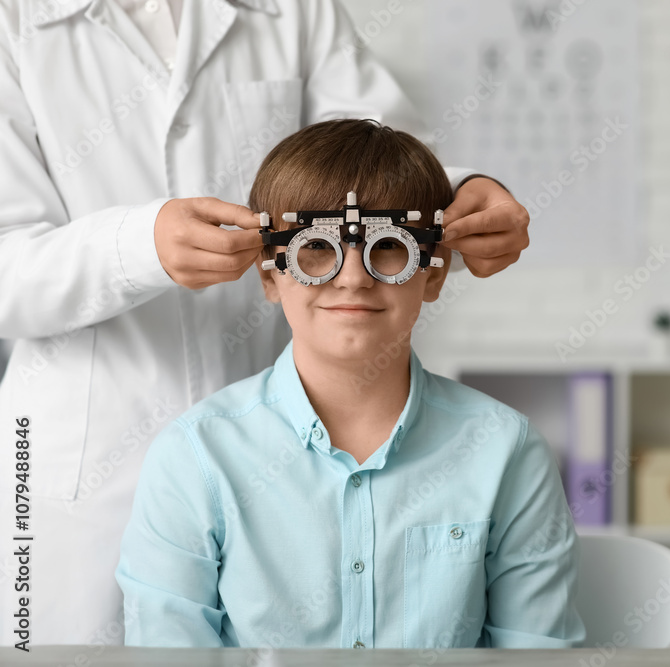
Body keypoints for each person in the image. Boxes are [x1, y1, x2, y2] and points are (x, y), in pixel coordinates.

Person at [0, 0, 529, 646]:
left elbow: (368, 157)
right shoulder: (15, 23)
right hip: (82, 463)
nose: (356, 274)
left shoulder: (294, 9)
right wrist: (139, 244)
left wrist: (458, 197)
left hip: (280, 446)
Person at [115, 119, 583, 648]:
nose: (354, 276)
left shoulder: (505, 451)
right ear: (270, 274)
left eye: (389, 247)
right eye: (316, 248)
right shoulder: (196, 456)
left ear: (432, 273)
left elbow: (538, 657)